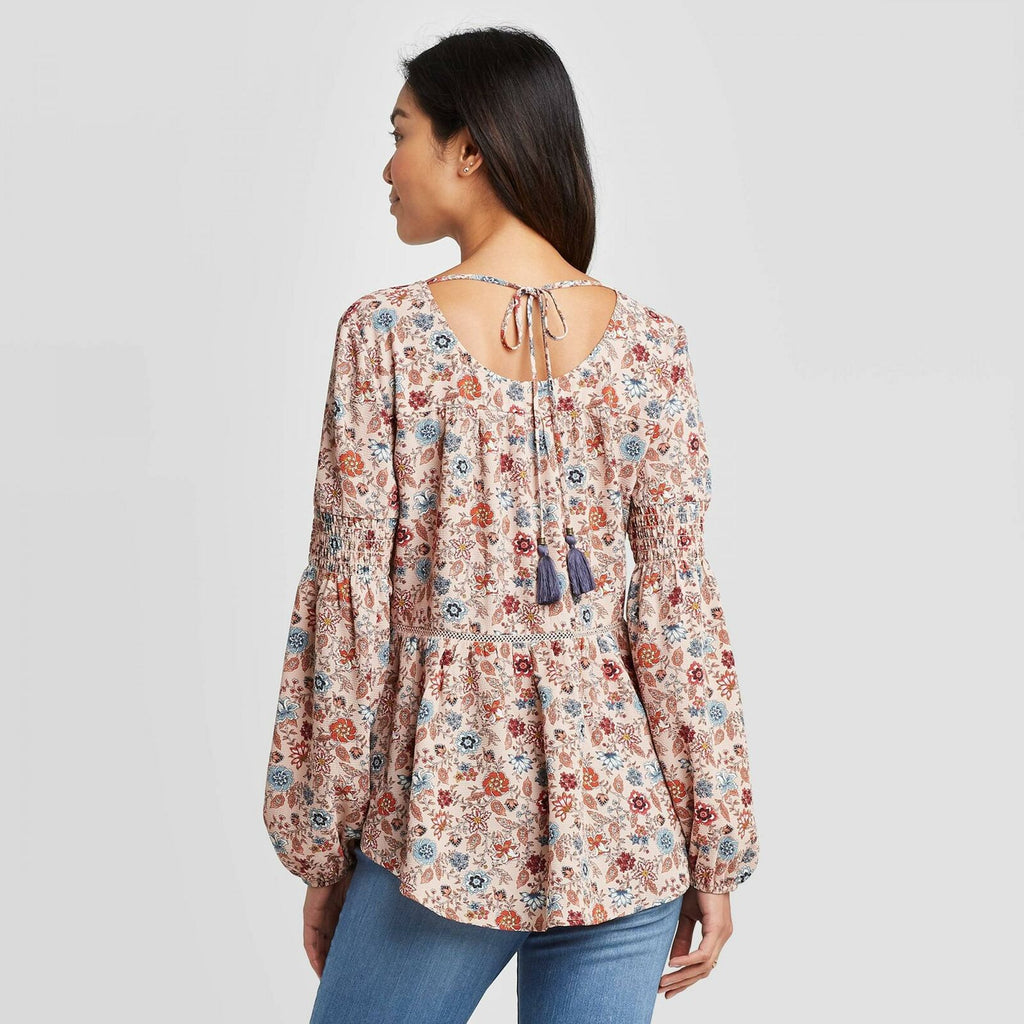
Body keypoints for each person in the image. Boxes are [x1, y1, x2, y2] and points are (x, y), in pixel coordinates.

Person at [262, 25, 760, 1024]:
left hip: (443, 829)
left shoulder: (384, 337)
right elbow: (678, 621)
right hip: (627, 828)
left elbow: (350, 619)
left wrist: (325, 846)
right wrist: (713, 844)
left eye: (400, 132)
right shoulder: (651, 347)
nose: (387, 166)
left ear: (469, 148)